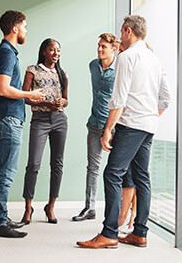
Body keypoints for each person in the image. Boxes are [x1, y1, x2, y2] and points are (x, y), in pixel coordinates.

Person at [77, 15, 171, 248]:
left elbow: (118, 99)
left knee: (112, 174)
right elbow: (165, 99)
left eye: (121, 32)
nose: (120, 37)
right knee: (142, 178)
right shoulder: (154, 59)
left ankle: (109, 233)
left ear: (128, 31)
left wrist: (108, 129)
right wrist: (148, 116)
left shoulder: (127, 57)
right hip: (148, 127)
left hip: (131, 126)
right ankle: (140, 233)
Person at [0, 10, 45, 238]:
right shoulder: (6, 53)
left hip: (7, 118)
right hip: (8, 119)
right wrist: (28, 95)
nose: (26, 30)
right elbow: (3, 88)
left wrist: (26, 96)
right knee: (6, 172)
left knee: (3, 170)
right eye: (24, 26)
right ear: (15, 28)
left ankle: (1, 216)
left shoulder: (7, 52)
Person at [72, 33, 120, 222]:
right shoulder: (93, 65)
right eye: (98, 46)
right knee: (92, 167)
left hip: (115, 126)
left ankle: (122, 213)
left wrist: (111, 126)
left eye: (104, 47)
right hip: (94, 124)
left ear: (114, 50)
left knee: (118, 170)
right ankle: (89, 208)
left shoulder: (120, 69)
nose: (99, 49)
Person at [20, 38, 68, 225]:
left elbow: (66, 99)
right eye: (52, 49)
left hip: (60, 121)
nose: (56, 53)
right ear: (43, 51)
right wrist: (45, 103)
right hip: (40, 120)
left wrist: (61, 102)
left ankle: (51, 207)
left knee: (57, 164)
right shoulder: (32, 71)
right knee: (33, 164)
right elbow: (25, 97)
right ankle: (28, 208)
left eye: (58, 50)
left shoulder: (62, 74)